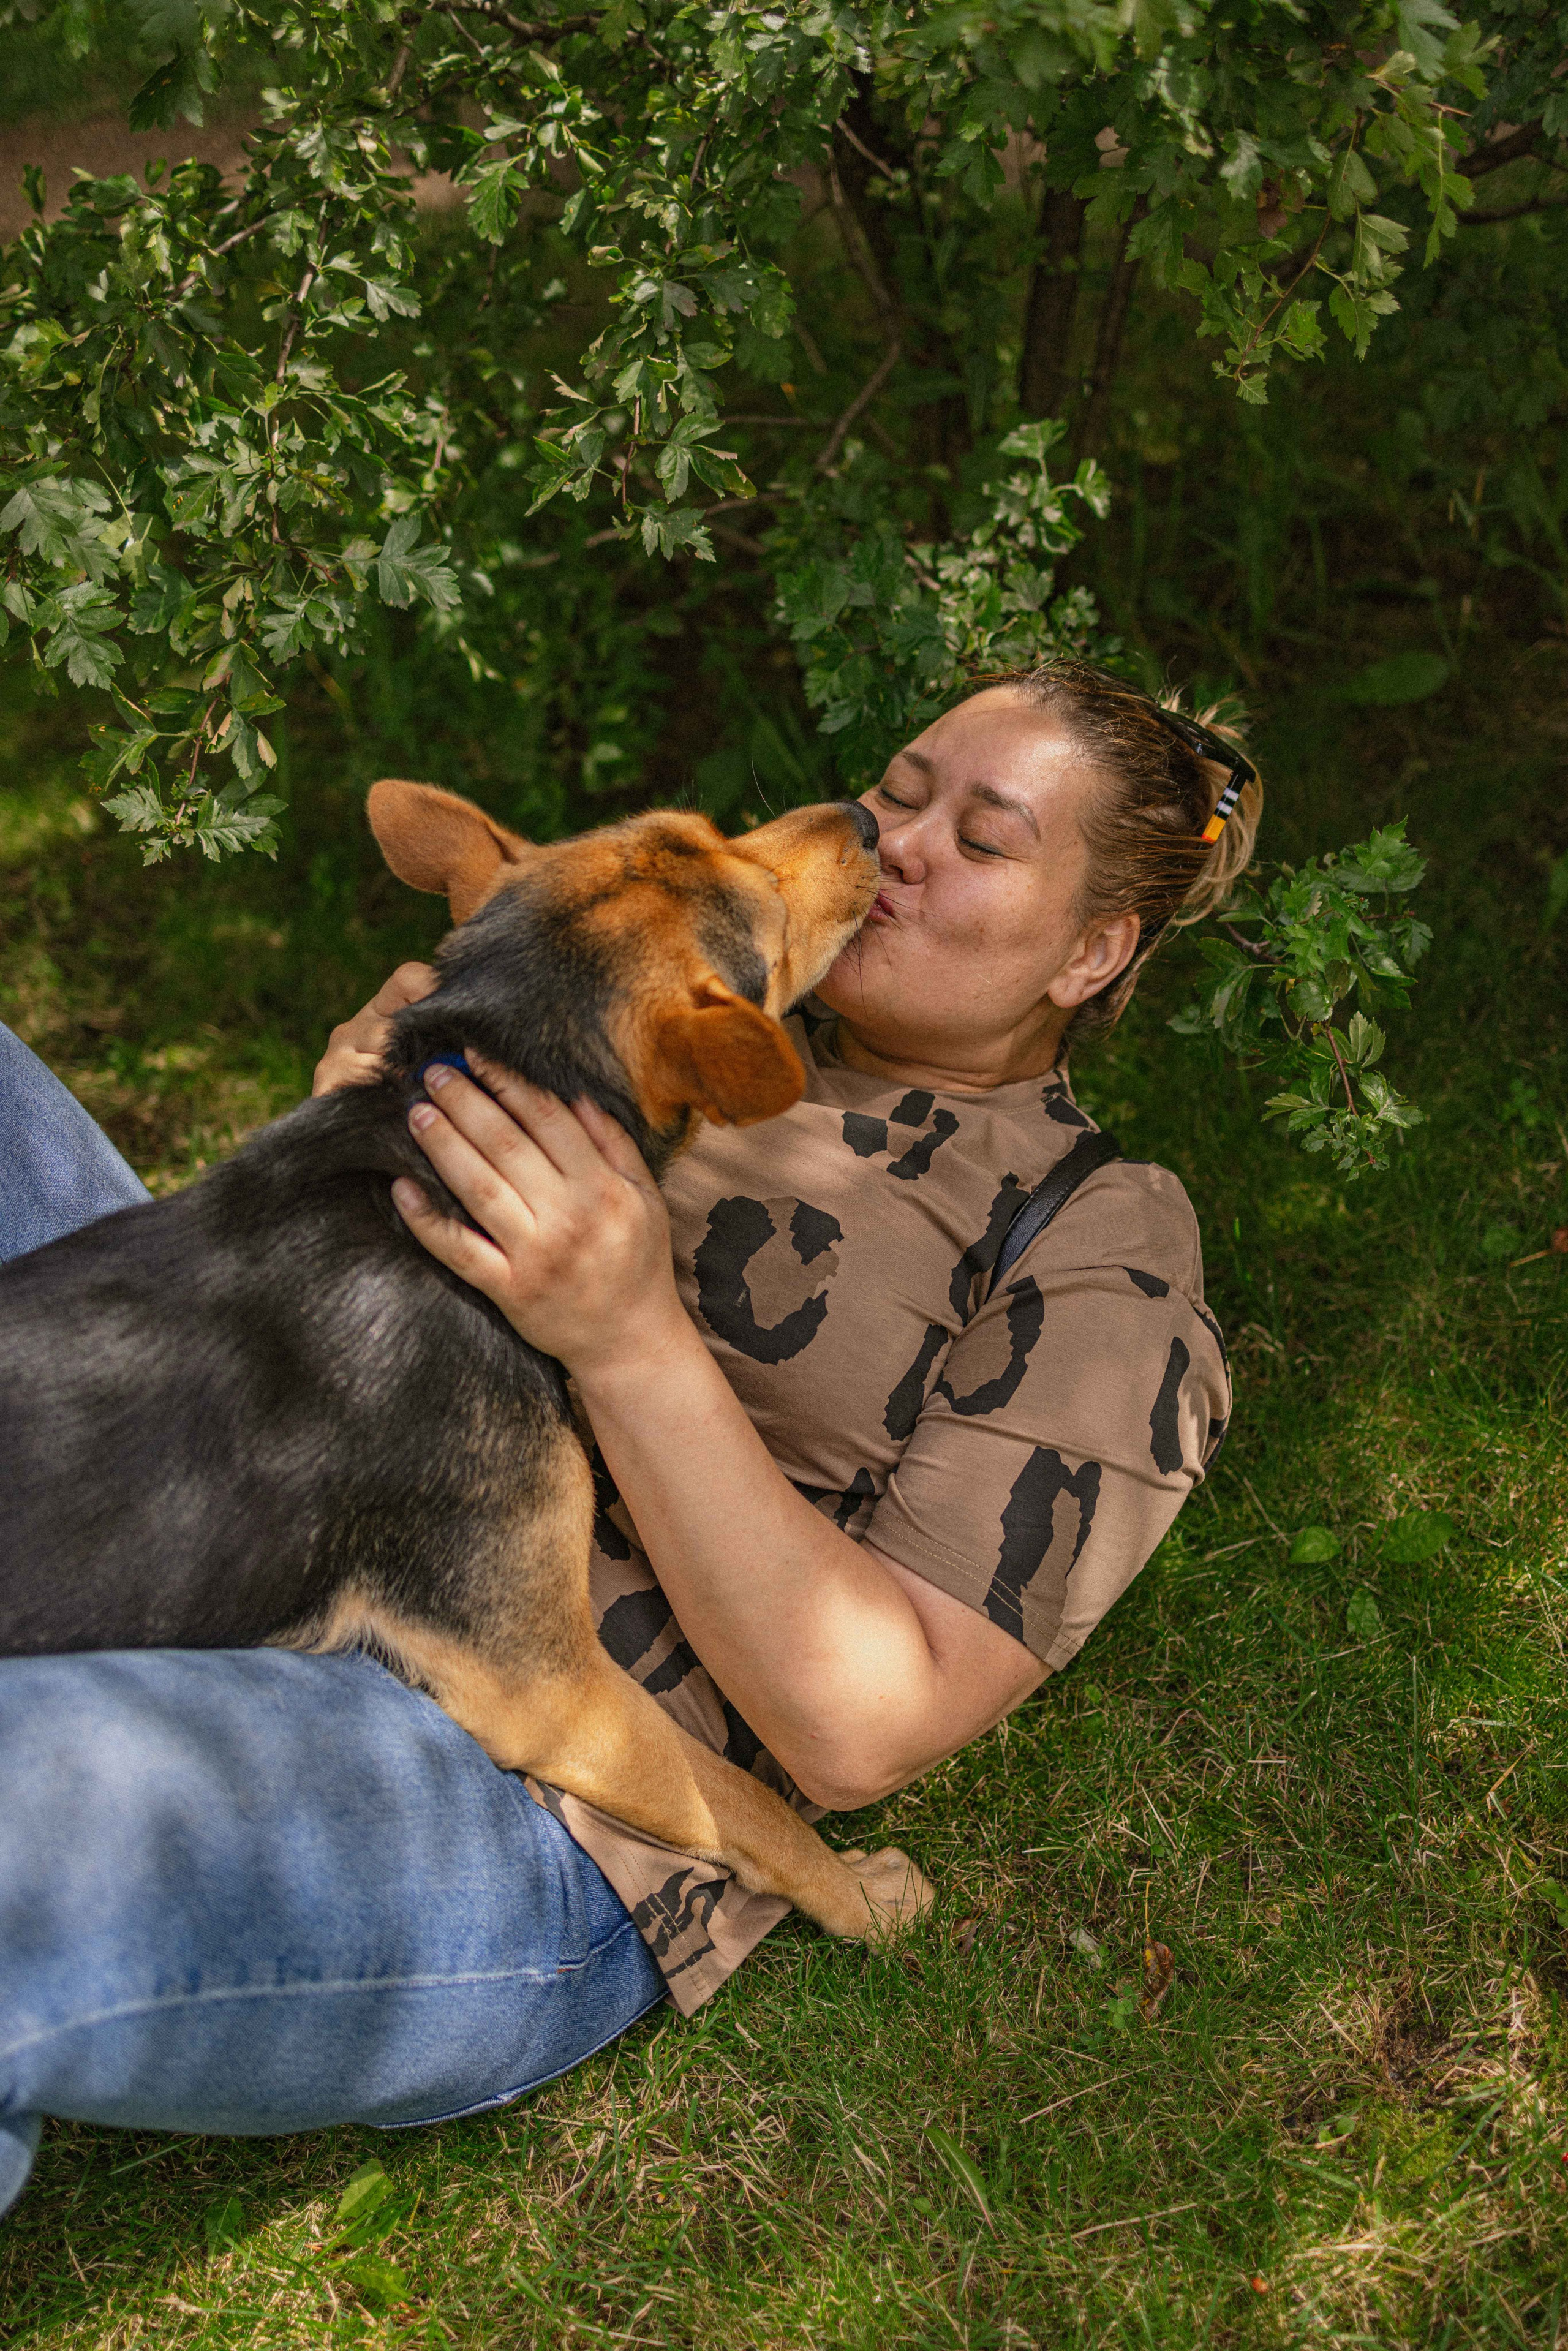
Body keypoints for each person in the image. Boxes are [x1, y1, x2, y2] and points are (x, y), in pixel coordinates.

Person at [0, 661, 1256, 2217]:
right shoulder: (629, 972)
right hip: (243, 1472)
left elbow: (863, 1722)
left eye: (982, 839)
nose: (896, 836)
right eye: (904, 786)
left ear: (1093, 949)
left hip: (527, 1789)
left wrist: (628, 1334)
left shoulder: (1097, 1245)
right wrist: (353, 1146)